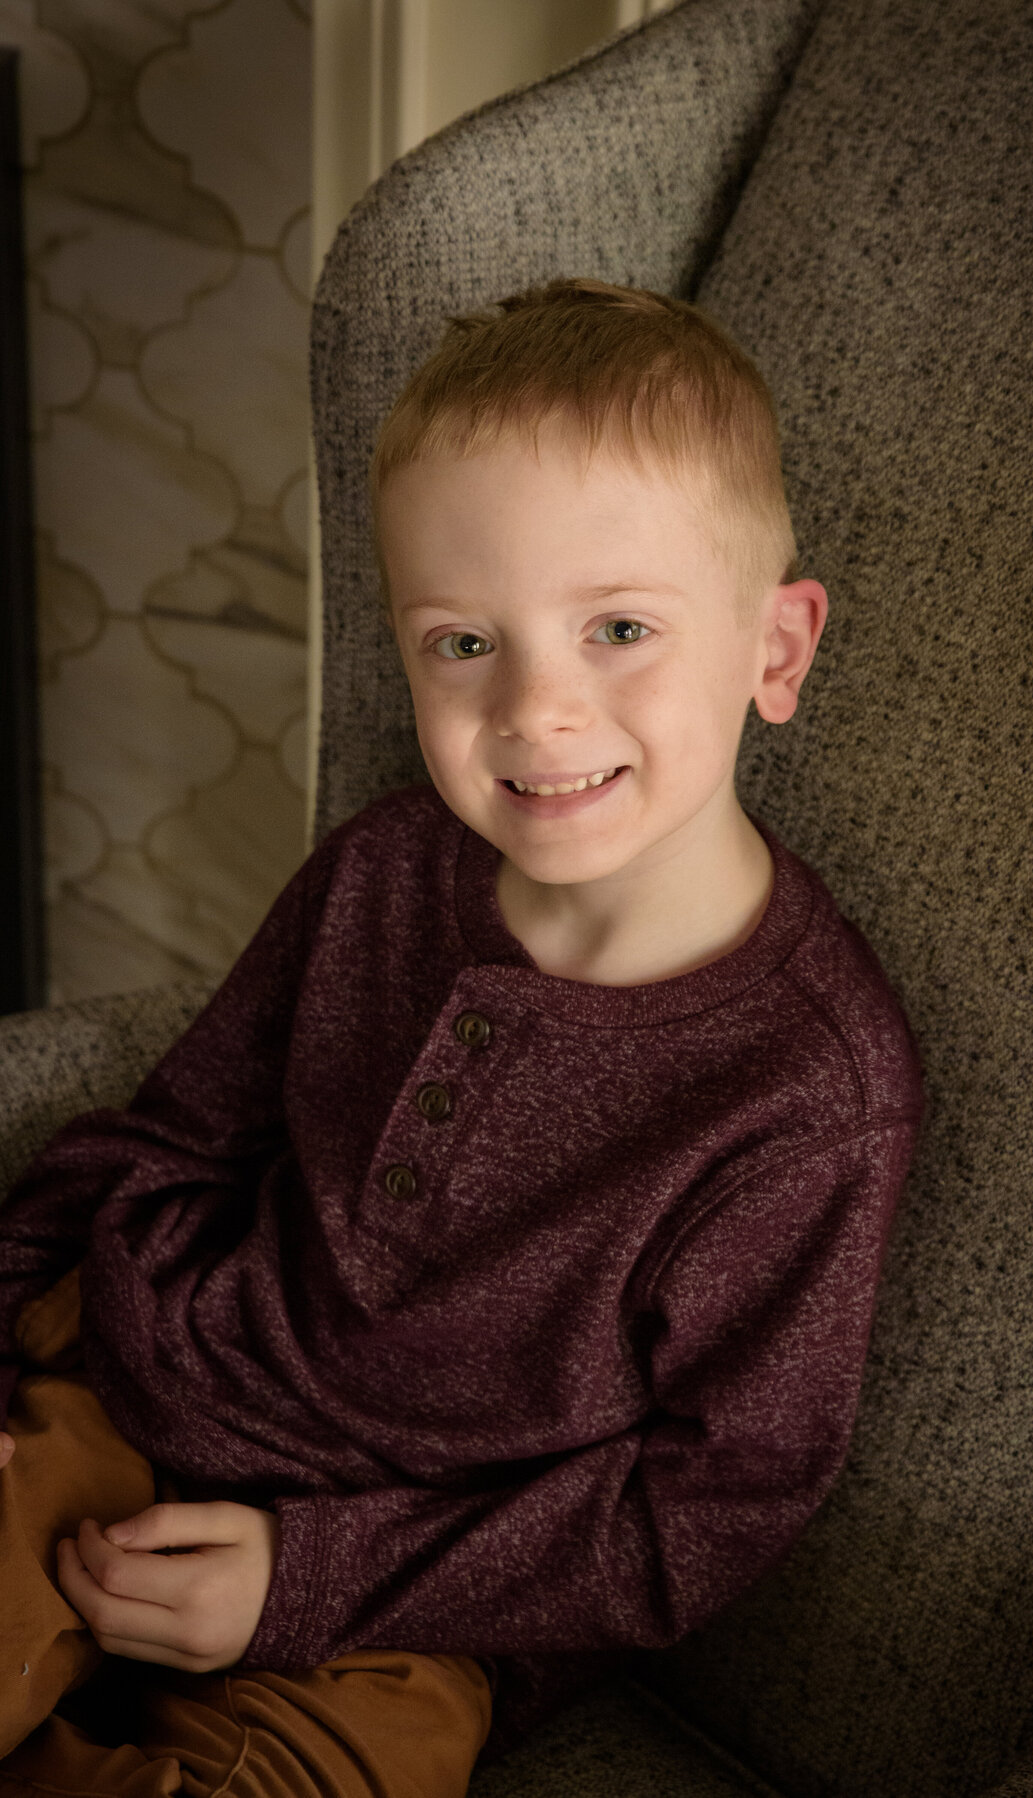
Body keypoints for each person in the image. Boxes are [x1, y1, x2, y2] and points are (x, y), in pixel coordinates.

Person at [0, 278, 923, 1797]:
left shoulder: (809, 1096)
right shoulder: (383, 872)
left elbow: (706, 1507)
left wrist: (297, 1578)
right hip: (137, 1387)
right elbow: (173, 1135)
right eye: (462, 643)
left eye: (620, 627)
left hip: (417, 1612)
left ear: (777, 647)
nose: (538, 712)